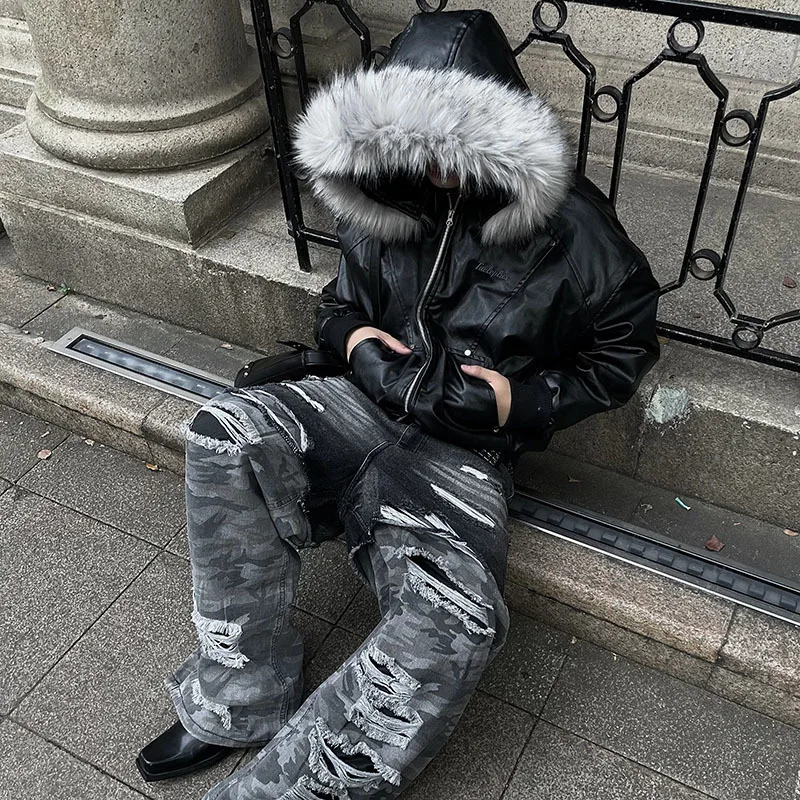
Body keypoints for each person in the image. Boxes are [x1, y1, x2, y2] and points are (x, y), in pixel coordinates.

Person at [136, 9, 661, 799]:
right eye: (415, 138)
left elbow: (624, 351)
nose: (435, 161)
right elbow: (338, 307)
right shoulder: (381, 195)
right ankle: (236, 698)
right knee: (223, 435)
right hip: (357, 404)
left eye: (455, 139)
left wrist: (519, 400)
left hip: (462, 453)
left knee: (456, 615)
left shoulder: (575, 230)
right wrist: (357, 344)